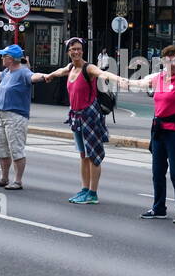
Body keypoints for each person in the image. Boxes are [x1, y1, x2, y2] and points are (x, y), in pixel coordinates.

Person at [112, 44, 175, 223]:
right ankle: (159, 208)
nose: (172, 63)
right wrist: (124, 82)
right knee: (157, 172)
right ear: (164, 61)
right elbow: (140, 83)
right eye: (168, 59)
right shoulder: (159, 78)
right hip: (158, 131)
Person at [40, 37, 123, 203]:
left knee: (93, 156)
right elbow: (59, 72)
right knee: (83, 155)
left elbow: (102, 73)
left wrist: (120, 80)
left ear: (82, 51)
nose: (76, 52)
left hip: (90, 116)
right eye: (73, 49)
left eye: (78, 49)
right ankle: (84, 189)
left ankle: (93, 193)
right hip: (76, 117)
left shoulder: (88, 68)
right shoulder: (71, 67)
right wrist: (48, 76)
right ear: (68, 52)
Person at [0, 44, 47, 189]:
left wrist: (45, 76)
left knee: (16, 148)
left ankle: (18, 181)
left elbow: (33, 77)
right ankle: (4, 177)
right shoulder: (7, 72)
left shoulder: (23, 72)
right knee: (2, 147)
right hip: (1, 115)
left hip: (16, 116)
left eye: (4, 56)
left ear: (10, 59)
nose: (2, 58)